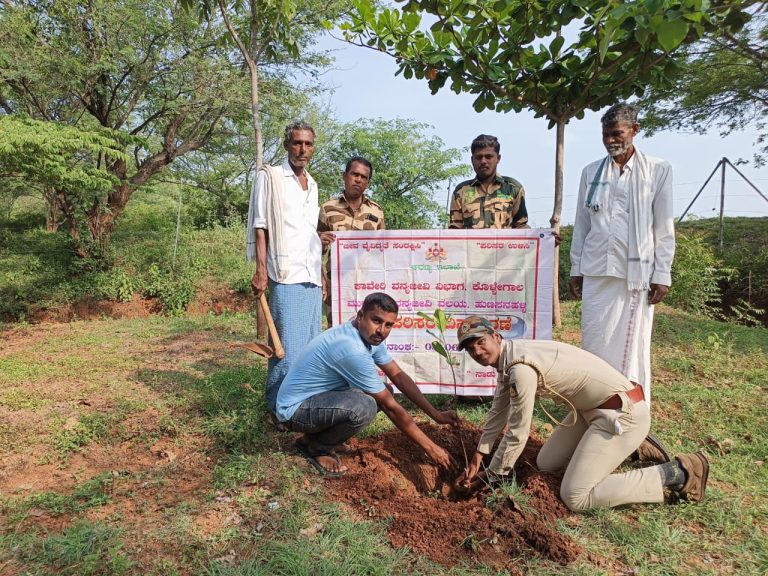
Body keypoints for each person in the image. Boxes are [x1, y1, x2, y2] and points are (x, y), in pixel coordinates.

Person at [453, 316, 709, 512]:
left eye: (480, 342)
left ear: (495, 336)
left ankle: (677, 473)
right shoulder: (511, 357)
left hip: (623, 414)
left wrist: (495, 474)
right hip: (591, 411)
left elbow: (518, 432)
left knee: (576, 496)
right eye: (470, 348)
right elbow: (498, 410)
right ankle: (632, 448)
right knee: (546, 464)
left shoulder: (521, 370)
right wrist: (478, 458)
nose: (477, 351)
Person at [275, 292, 457, 477]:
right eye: (376, 321)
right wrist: (432, 449)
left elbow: (397, 375)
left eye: (388, 325)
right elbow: (390, 407)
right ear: (360, 316)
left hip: (315, 399)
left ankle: (317, 438)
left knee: (384, 390)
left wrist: (436, 414)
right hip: (294, 410)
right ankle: (318, 448)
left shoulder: (368, 336)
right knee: (366, 405)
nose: (381, 330)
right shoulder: (351, 348)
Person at [569, 102, 675, 407]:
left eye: (617, 134)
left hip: (634, 275)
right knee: (594, 338)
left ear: (635, 131)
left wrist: (662, 273)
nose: (611, 140)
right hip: (596, 270)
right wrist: (576, 268)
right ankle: (596, 399)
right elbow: (583, 222)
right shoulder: (591, 172)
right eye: (606, 135)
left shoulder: (657, 170)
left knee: (631, 345)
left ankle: (628, 403)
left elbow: (663, 227)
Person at [247, 120, 323, 424]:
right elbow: (261, 225)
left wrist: (324, 276)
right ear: (286, 145)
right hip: (285, 271)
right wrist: (261, 270)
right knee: (285, 350)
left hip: (312, 274)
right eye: (296, 143)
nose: (302, 150)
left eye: (307, 144)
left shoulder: (313, 183)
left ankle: (299, 405)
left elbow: (310, 232)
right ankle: (276, 409)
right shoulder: (271, 177)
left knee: (308, 346)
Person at [317, 156, 385, 325]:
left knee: (369, 328)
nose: (358, 180)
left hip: (368, 283)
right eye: (355, 174)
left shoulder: (377, 212)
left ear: (368, 182)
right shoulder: (328, 209)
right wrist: (319, 241)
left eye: (364, 177)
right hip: (337, 285)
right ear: (344, 176)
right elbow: (314, 250)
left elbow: (383, 252)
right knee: (337, 329)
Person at [449, 134, 529, 230]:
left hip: (504, 245)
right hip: (470, 245)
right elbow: (454, 231)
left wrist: (547, 238)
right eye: (479, 157)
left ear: (498, 159)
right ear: (472, 160)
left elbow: (521, 226)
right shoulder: (461, 191)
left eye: (488, 157)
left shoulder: (513, 188)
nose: (483, 161)